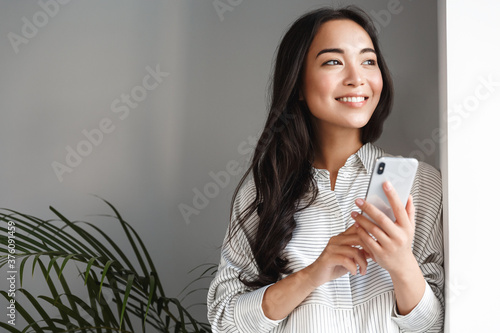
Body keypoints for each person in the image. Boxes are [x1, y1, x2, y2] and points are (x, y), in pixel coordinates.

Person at [207, 6, 444, 333]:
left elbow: (437, 326)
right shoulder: (264, 189)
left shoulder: (424, 185)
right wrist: (313, 273)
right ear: (299, 85)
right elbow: (225, 320)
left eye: (368, 61)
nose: (357, 78)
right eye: (333, 61)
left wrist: (402, 264)